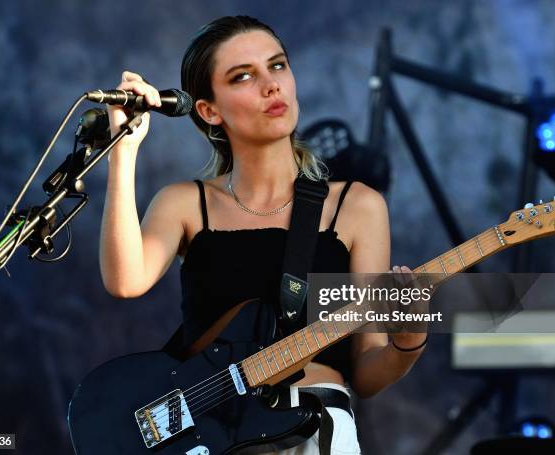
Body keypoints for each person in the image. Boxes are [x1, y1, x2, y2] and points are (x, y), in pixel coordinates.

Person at [100, 15, 427, 455]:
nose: (271, 86)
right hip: (212, 435)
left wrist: (408, 344)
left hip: (315, 431)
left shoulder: (357, 206)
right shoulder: (184, 203)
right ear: (209, 110)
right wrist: (123, 151)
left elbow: (367, 372)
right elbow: (124, 280)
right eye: (243, 76)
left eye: (277, 66)